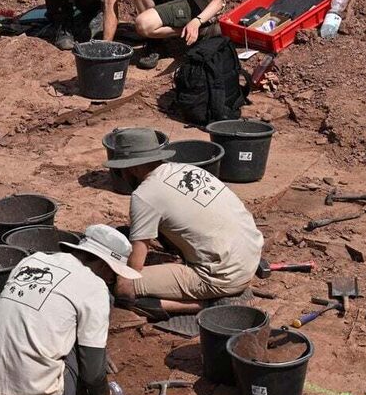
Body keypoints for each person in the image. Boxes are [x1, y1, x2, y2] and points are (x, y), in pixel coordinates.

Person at [0, 225, 136, 395]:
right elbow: (93, 375)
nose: (111, 280)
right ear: (106, 266)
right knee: (86, 356)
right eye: (113, 275)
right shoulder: (95, 287)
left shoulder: (31, 261)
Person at [105, 128, 263, 320]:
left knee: (123, 287)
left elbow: (134, 268)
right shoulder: (188, 169)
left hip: (223, 276)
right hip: (250, 257)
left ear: (132, 167)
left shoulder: (145, 195)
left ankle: (207, 304)